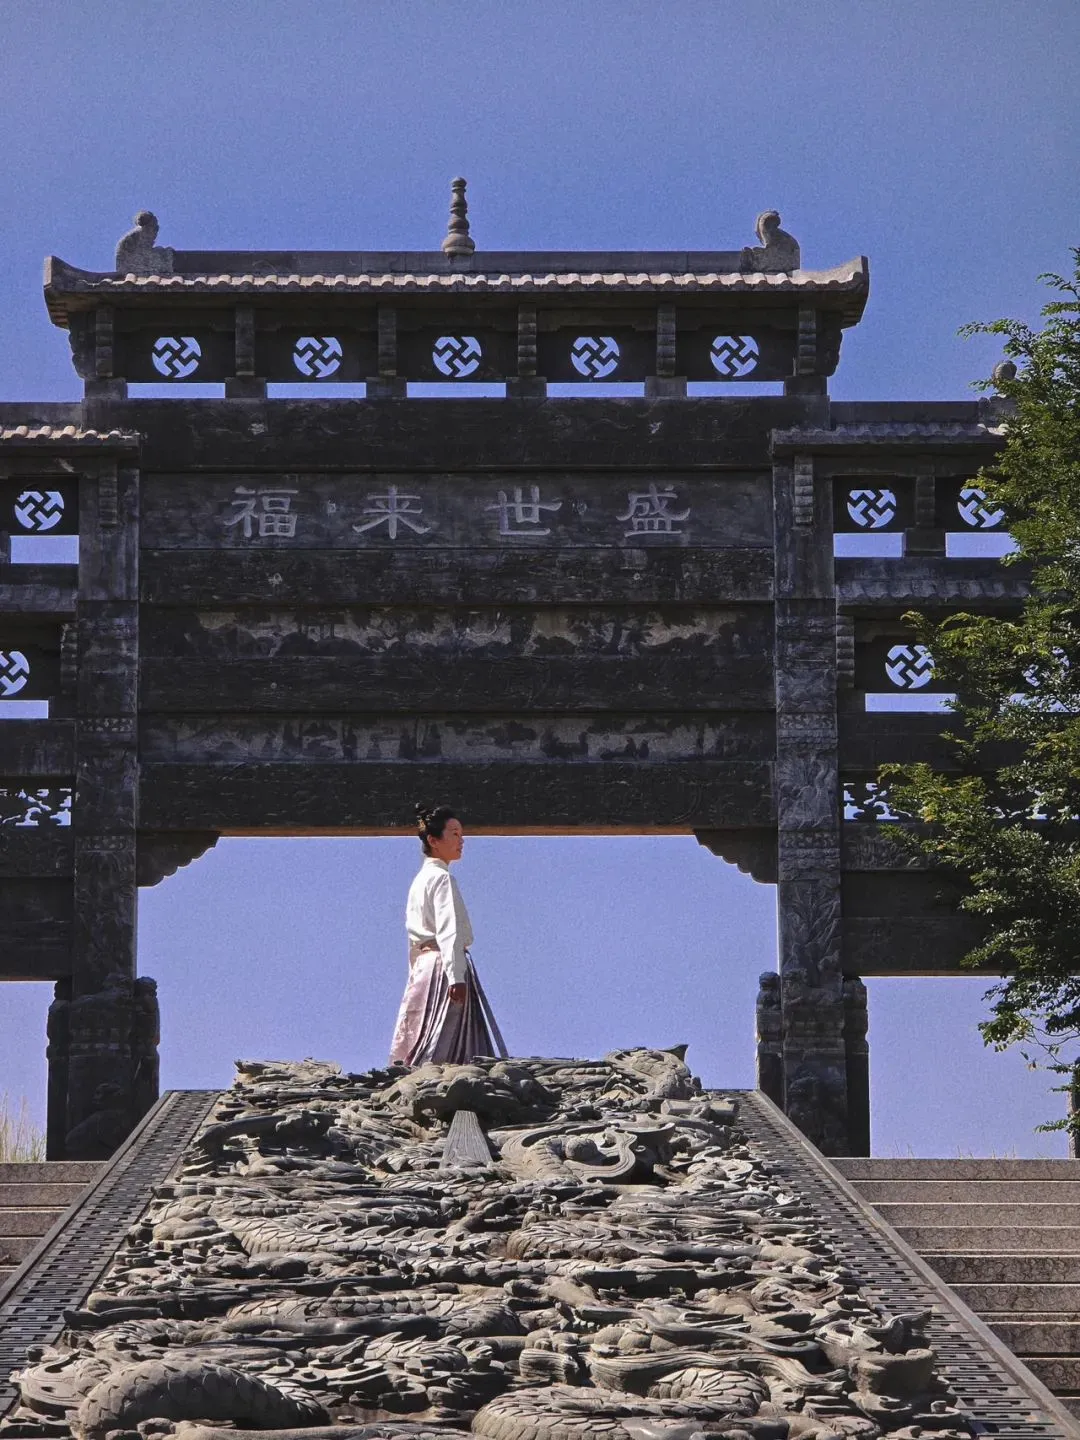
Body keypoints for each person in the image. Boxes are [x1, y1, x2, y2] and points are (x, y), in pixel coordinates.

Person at [389, 802, 508, 1066]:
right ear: (433, 840)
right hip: (444, 964)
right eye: (454, 834)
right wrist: (456, 976)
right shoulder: (442, 879)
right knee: (446, 1039)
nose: (461, 841)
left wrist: (414, 973)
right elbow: (449, 929)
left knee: (420, 1030)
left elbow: (413, 939)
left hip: (424, 966)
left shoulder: (419, 881)